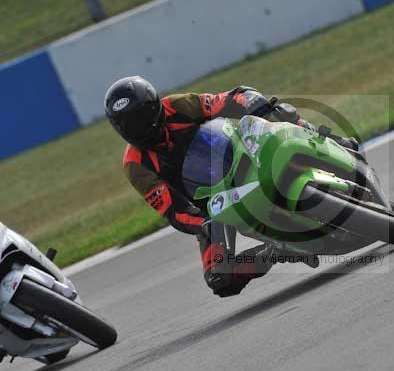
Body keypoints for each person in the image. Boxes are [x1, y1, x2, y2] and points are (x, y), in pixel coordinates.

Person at [104, 76, 358, 297]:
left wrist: (250, 101)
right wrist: (203, 223)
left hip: (237, 153)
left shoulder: (177, 105)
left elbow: (225, 99)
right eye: (128, 124)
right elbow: (173, 210)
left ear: (154, 106)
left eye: (140, 117)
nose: (138, 128)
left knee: (276, 111)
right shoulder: (135, 165)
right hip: (213, 205)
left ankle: (333, 141)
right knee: (221, 279)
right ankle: (275, 252)